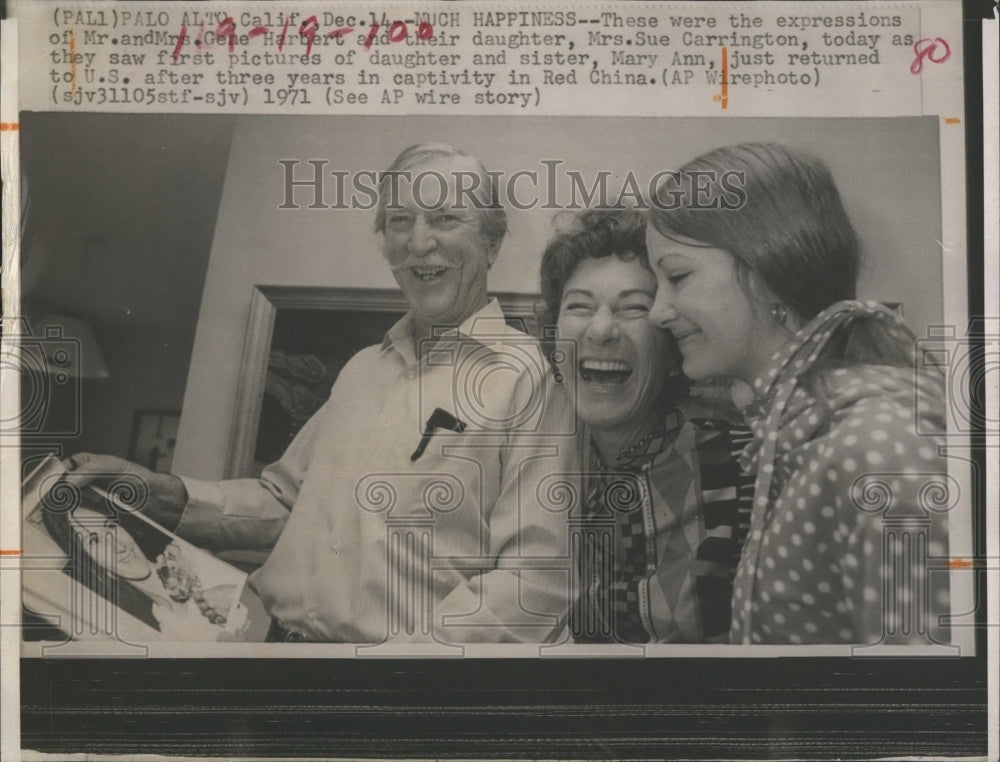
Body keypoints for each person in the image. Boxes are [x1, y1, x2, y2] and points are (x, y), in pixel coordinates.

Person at [66, 143, 575, 643]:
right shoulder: (361, 370)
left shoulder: (530, 379)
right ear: (384, 243)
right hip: (274, 660)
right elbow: (287, 505)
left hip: (400, 694)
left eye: (444, 219)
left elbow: (535, 580)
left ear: (491, 243)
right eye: (400, 221)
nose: (419, 243)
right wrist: (156, 491)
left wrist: (404, 670)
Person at [645, 142, 949, 645]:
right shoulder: (799, 435)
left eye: (677, 276)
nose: (658, 311)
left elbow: (924, 701)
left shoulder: (877, 447)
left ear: (768, 270)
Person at [539, 208, 753, 643]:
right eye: (578, 306)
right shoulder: (545, 457)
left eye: (634, 308)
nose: (600, 329)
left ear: (672, 343)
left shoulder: (732, 461)